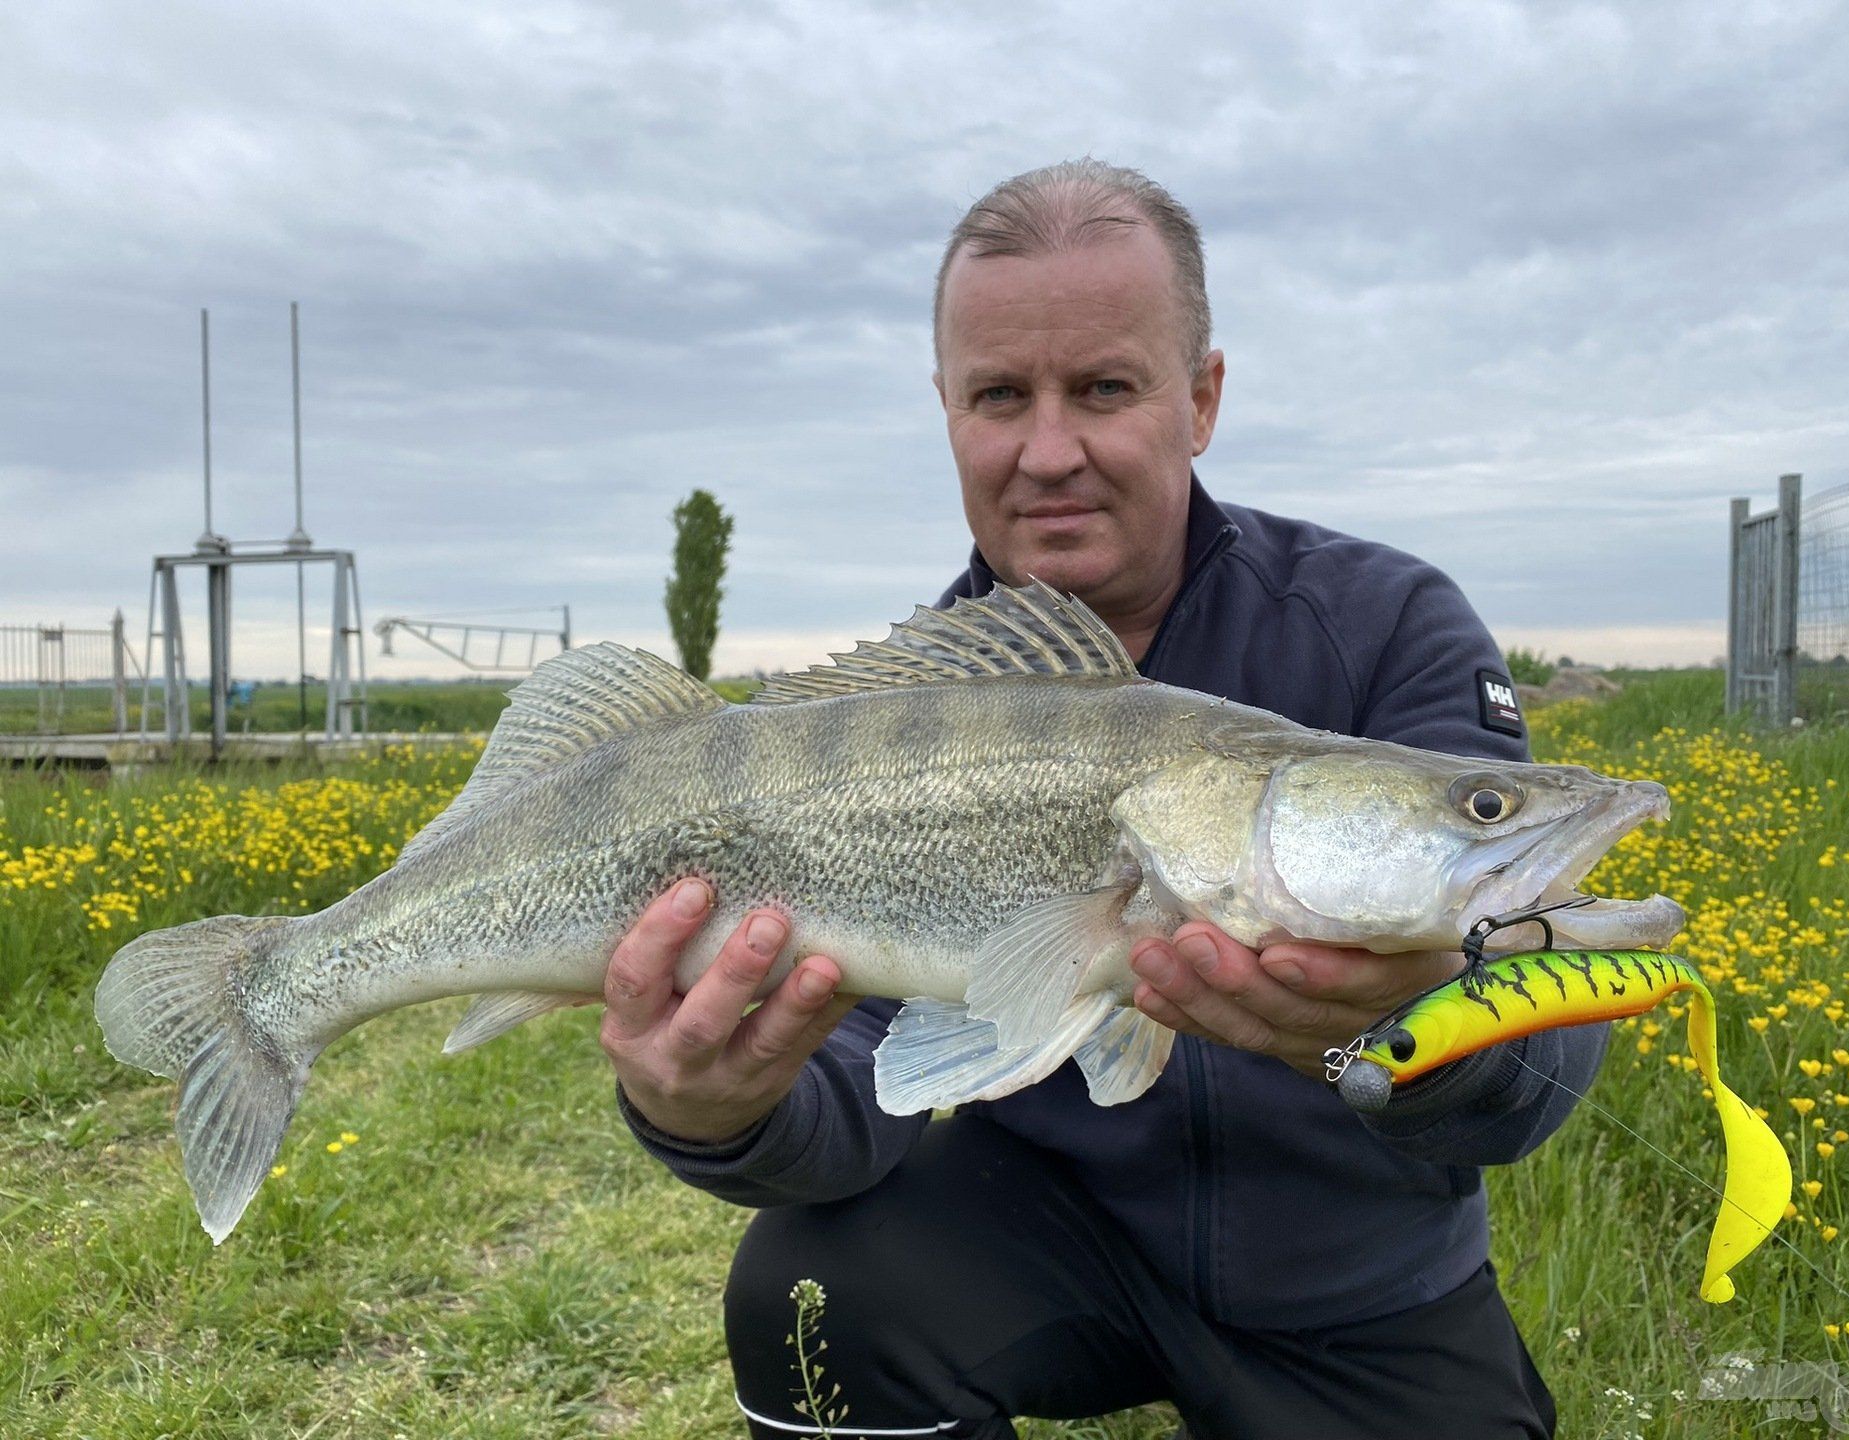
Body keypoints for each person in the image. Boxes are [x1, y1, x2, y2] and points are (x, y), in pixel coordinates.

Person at [599, 159, 1593, 1438]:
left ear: (1202, 398)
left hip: (1360, 1291)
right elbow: (861, 1092)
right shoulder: (895, 723)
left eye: (1107, 388)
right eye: (1000, 395)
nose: (1049, 450)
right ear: (948, 408)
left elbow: (1542, 1047)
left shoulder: (1383, 625)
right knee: (811, 1301)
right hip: (1048, 1236)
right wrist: (717, 1114)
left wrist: (1408, 1029)